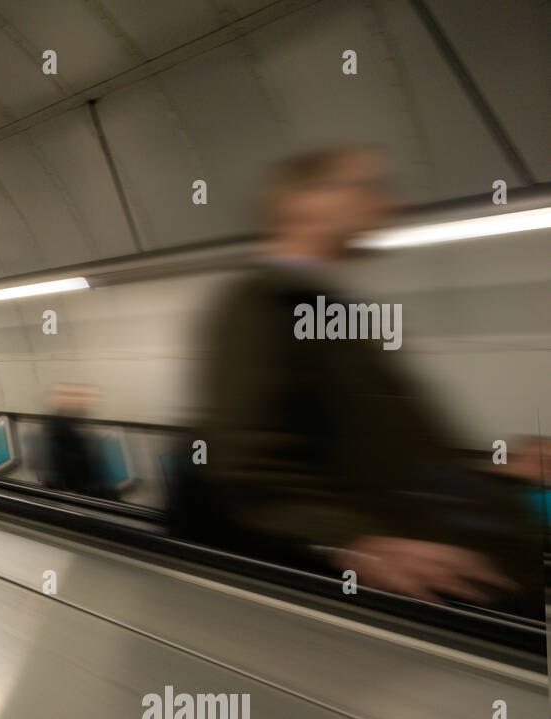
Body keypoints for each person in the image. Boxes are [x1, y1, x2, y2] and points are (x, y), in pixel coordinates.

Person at [185, 146, 542, 613]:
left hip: (462, 569)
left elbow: (378, 449)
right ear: (301, 203)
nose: (387, 205)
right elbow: (245, 460)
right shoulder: (262, 302)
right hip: (415, 591)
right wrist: (352, 542)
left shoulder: (337, 307)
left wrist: (493, 477)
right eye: (367, 188)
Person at [41, 384, 115, 500]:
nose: (87, 400)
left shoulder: (78, 425)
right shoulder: (57, 429)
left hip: (86, 492)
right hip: (76, 494)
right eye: (77, 395)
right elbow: (55, 466)